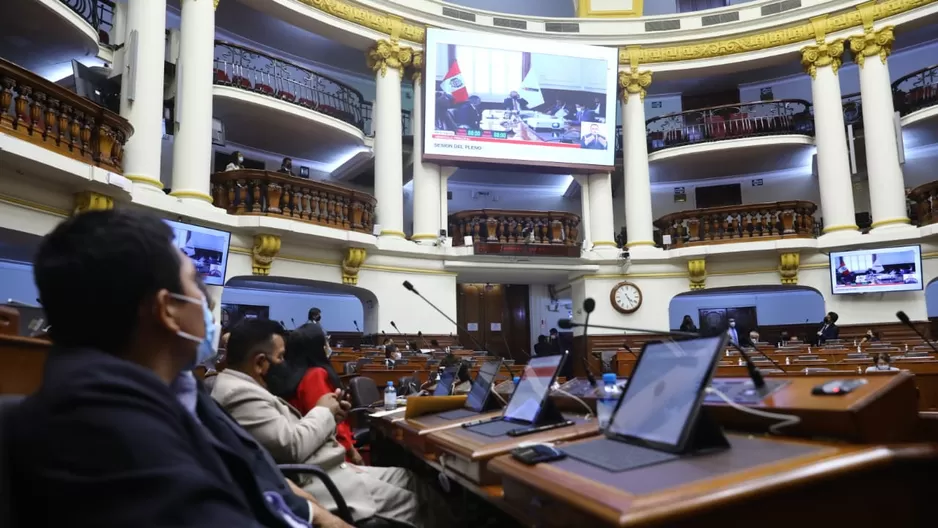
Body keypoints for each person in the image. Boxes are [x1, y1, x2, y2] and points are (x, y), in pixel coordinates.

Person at [4, 209, 293, 526]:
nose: (209, 304)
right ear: (168, 310)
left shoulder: (174, 387)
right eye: (197, 283)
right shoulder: (100, 424)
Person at [211, 319, 420, 526]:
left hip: (328, 467)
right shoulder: (238, 393)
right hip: (317, 480)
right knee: (419, 503)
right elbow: (290, 447)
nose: (285, 363)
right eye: (281, 356)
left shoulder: (245, 386)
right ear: (259, 363)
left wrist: (330, 416)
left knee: (409, 478)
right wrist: (323, 410)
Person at [267, 325, 363, 465]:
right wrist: (352, 452)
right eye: (325, 343)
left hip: (311, 450)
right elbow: (328, 416)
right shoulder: (315, 375)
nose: (327, 347)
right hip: (330, 454)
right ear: (317, 348)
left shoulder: (290, 374)